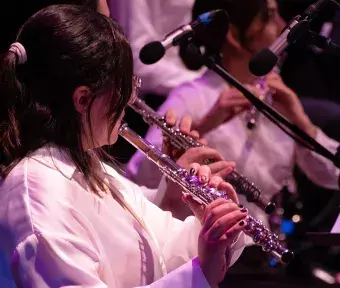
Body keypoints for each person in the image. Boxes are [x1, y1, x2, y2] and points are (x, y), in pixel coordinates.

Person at [0, 5, 248, 288]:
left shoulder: (93, 168)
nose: (130, 98)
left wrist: (213, 227)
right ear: (83, 99)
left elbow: (159, 251)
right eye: (124, 87)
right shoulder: (37, 187)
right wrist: (199, 273)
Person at [127, 0, 340, 226]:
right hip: (202, 245)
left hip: (261, 250)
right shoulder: (192, 97)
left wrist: (302, 122)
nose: (282, 25)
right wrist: (203, 126)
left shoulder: (278, 99)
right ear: (233, 36)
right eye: (268, 17)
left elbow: (333, 176)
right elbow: (137, 179)